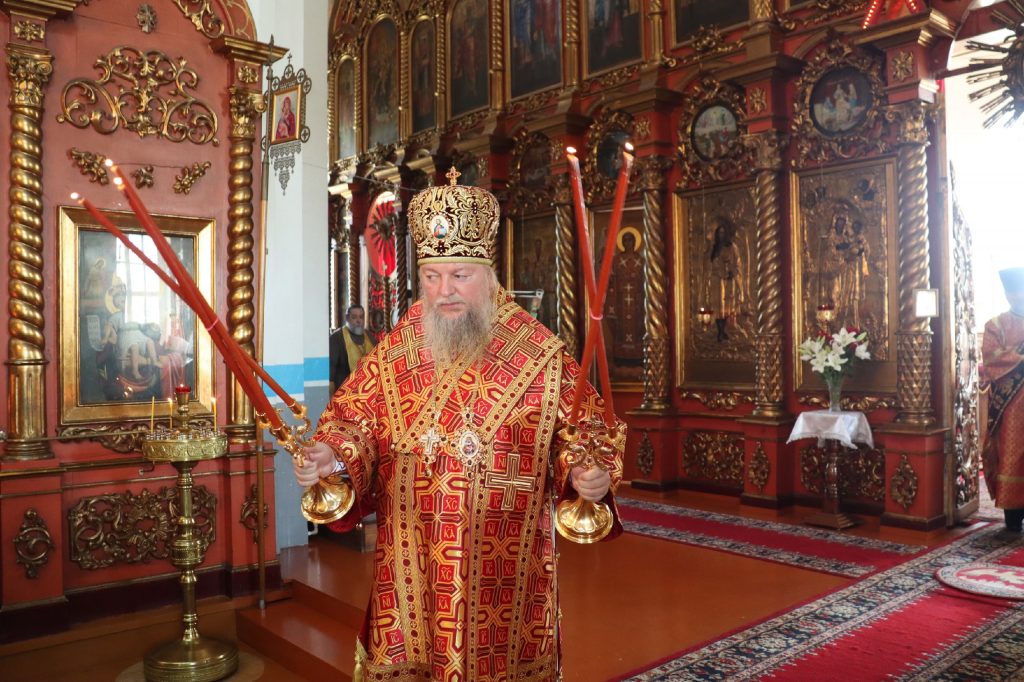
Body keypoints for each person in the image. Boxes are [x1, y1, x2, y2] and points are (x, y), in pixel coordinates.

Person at [294, 172, 625, 680]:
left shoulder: (538, 353)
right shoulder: (401, 345)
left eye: (459, 275)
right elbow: (355, 421)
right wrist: (331, 456)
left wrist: (588, 477)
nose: (443, 291)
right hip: (411, 562)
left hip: (504, 574)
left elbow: (581, 438)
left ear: (488, 274)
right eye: (431, 276)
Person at [981, 267, 1024, 532]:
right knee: (1012, 452)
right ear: (1007, 294)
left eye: (1020, 290)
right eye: (1012, 291)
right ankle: (1013, 514)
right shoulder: (996, 324)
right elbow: (991, 356)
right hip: (1012, 403)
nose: (1017, 296)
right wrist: (1020, 356)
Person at [328, 305, 374, 393]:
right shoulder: (337, 338)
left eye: (361, 317)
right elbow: (330, 374)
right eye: (354, 317)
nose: (358, 321)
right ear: (347, 318)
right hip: (346, 392)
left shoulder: (369, 336)